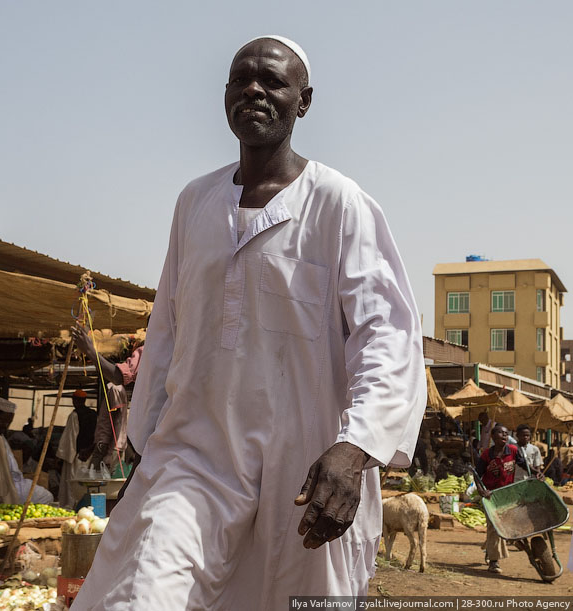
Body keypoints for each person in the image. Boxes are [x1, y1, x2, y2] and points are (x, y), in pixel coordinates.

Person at [72, 36, 425, 610]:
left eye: (273, 81)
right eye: (242, 79)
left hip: (308, 466)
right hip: (196, 456)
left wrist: (356, 447)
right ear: (226, 94)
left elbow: (386, 335)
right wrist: (144, 442)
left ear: (303, 101)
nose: (255, 90)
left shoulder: (338, 203)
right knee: (143, 593)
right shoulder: (195, 203)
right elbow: (166, 331)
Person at [71, 323, 144, 470]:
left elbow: (117, 421)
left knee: (99, 479)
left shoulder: (115, 388)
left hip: (108, 446)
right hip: (106, 443)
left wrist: (112, 450)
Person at [0, 398, 54, 505]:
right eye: (2, 420)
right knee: (45, 497)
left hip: (13, 481)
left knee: (44, 495)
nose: (5, 425)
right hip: (2, 487)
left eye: (8, 422)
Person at [475, 424, 530, 573]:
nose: (505, 436)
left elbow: (524, 465)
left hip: (507, 494)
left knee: (504, 525)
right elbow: (476, 475)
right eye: (501, 433)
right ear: (493, 436)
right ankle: (493, 562)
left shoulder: (512, 451)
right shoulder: (486, 455)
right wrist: (481, 490)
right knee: (494, 526)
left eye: (506, 434)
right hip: (491, 496)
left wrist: (537, 473)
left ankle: (490, 549)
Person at [56, 390, 98, 508]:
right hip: (89, 456)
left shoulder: (74, 415)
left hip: (76, 456)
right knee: (85, 484)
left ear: (75, 400)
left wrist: (63, 456)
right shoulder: (94, 414)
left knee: (72, 484)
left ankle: (71, 507)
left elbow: (69, 438)